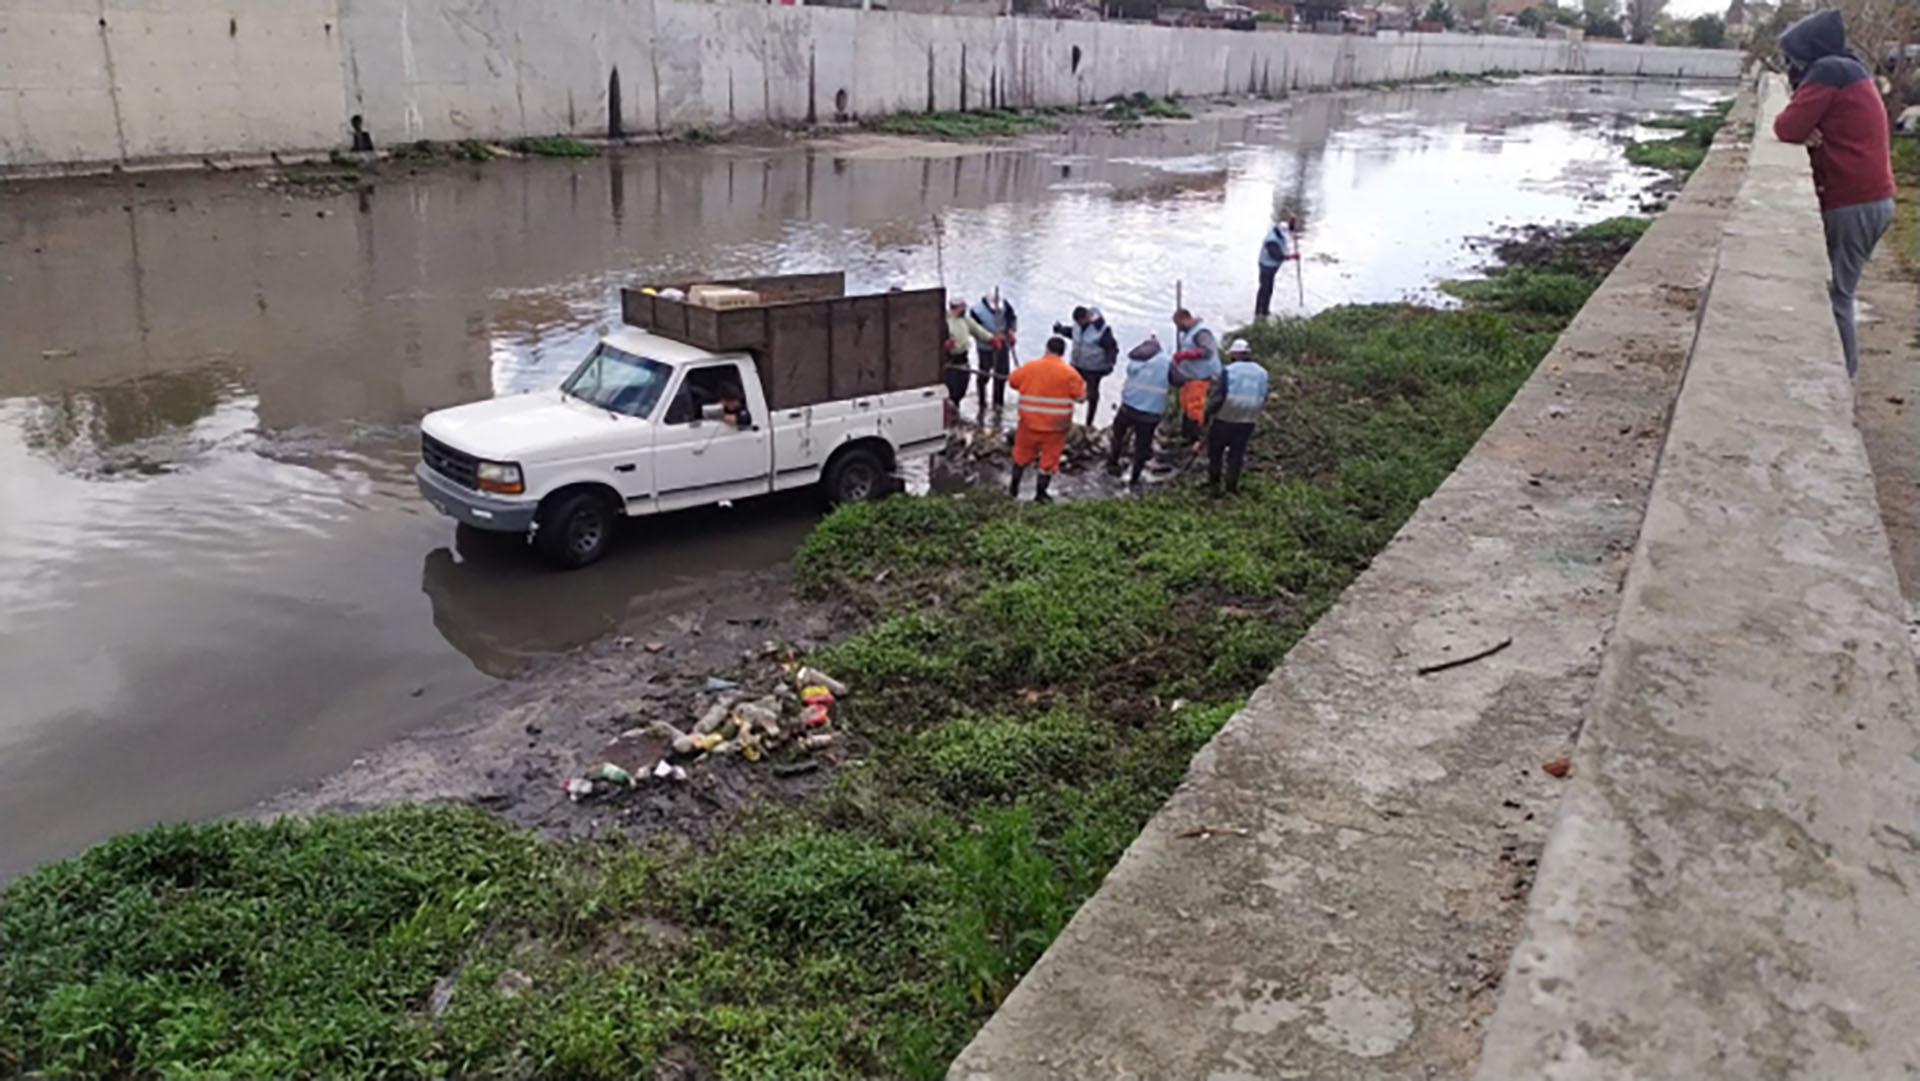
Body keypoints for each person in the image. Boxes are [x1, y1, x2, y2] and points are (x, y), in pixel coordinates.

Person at [1773, 8, 1897, 380]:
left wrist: (1806, 125)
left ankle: (1843, 383)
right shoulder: (1849, 68)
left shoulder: (1829, 72)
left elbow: (1786, 127)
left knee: (1840, 298)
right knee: (1839, 292)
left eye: (1793, 55)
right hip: (1872, 199)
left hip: (1852, 202)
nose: (1792, 64)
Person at [1006, 336, 1086, 504]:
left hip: (1029, 424)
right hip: (1056, 427)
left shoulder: (1030, 367)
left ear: (1047, 349)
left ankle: (1013, 490)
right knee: (1049, 461)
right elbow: (1080, 397)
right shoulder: (1070, 373)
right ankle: (1041, 494)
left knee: (1021, 456)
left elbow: (1012, 382)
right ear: (1063, 353)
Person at [1206, 339, 1269, 496]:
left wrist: (1207, 414)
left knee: (1216, 451)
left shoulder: (1229, 370)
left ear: (1234, 354)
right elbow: (1263, 396)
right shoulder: (1262, 372)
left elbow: (1219, 397)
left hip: (1226, 416)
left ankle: (1215, 484)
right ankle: (1231, 487)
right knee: (1237, 453)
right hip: (1248, 418)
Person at [1109, 336, 1173, 490]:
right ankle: (1135, 477)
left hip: (1128, 406)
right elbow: (1178, 379)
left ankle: (1112, 462)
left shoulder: (1135, 360)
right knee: (1142, 445)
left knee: (1118, 434)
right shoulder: (1167, 361)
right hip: (1150, 413)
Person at [1053, 306, 1119, 424]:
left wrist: (1110, 362)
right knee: (1065, 388)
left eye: (1079, 321)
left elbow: (1112, 348)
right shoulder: (1078, 326)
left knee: (1092, 395)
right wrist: (1060, 330)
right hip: (1077, 365)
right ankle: (1064, 416)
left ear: (1087, 317)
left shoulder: (1102, 330)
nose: (1078, 324)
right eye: (1076, 322)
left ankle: (1089, 423)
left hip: (1094, 369)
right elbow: (1072, 333)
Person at [1168, 308, 1221, 442]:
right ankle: (1185, 434)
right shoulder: (1187, 333)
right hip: (1188, 376)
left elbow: (1207, 351)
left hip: (1201, 376)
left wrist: (1185, 355)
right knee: (1186, 404)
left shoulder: (1202, 332)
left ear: (1186, 319)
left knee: (1194, 406)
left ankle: (1194, 437)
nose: (1178, 328)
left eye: (1178, 324)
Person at [970, 293, 1018, 412]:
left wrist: (1011, 331)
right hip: (985, 348)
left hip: (1002, 346)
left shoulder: (1006, 305)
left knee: (1002, 374)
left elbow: (1012, 319)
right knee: (984, 374)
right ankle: (982, 402)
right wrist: (991, 338)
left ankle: (998, 402)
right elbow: (975, 330)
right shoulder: (976, 311)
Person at [944, 299, 993, 409]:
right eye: (963, 307)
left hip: (963, 358)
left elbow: (978, 331)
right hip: (949, 360)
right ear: (957, 307)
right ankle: (950, 409)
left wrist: (991, 339)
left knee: (962, 387)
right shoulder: (944, 320)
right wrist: (943, 345)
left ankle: (956, 407)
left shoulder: (965, 320)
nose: (965, 309)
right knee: (951, 389)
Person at [1255, 215, 1299, 318]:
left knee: (1268, 289)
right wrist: (1293, 256)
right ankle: (1259, 313)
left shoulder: (1279, 229)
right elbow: (1278, 256)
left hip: (1273, 267)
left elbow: (1290, 228)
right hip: (1266, 266)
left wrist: (1292, 222)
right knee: (1265, 289)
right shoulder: (1271, 241)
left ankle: (1264, 311)